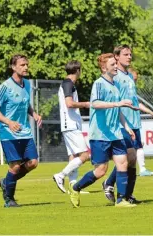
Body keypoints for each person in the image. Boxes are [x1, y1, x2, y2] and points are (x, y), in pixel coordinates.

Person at [68, 53, 138, 208]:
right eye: (112, 64)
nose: (115, 67)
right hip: (100, 134)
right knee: (100, 171)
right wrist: (117, 104)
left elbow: (118, 109)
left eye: (115, 64)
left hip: (116, 133)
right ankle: (75, 188)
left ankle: (121, 200)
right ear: (103, 67)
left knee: (123, 163)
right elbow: (95, 104)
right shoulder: (99, 84)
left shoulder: (115, 85)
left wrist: (126, 127)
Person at [102, 45, 153, 204]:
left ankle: (127, 194)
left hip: (134, 123)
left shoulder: (129, 77)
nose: (129, 57)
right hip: (122, 124)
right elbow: (112, 100)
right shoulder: (115, 76)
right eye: (126, 54)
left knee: (132, 160)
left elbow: (134, 101)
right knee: (128, 157)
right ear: (117, 57)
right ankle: (111, 184)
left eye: (130, 54)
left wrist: (148, 111)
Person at [0, 54, 42, 207]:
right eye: (22, 65)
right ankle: (9, 199)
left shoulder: (27, 83)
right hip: (8, 132)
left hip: (24, 131)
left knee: (32, 163)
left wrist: (34, 114)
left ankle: (6, 181)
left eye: (27, 65)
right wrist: (8, 121)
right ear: (13, 67)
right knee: (16, 165)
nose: (26, 67)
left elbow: (25, 103)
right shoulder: (5, 87)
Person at [52, 60, 90, 193]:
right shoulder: (68, 83)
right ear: (78, 70)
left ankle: (74, 187)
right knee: (85, 155)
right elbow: (69, 103)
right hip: (71, 124)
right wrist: (86, 104)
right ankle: (60, 175)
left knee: (73, 157)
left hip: (70, 124)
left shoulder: (67, 83)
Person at [128, 67, 153, 176]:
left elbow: (137, 104)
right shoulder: (124, 89)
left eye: (136, 79)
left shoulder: (132, 91)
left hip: (135, 123)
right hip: (127, 124)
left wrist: (150, 111)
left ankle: (142, 170)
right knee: (129, 151)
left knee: (138, 147)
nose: (135, 81)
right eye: (134, 79)